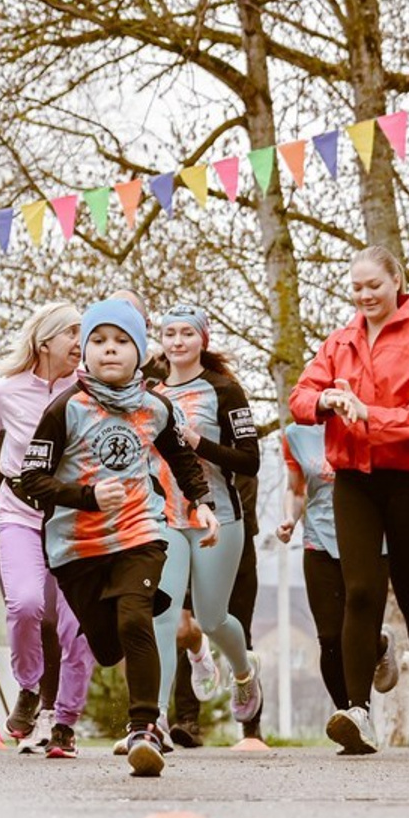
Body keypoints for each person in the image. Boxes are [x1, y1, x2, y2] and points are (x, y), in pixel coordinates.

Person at [18, 298, 216, 777]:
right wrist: (85, 495)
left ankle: (145, 727)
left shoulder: (155, 408)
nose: (110, 351)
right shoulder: (65, 409)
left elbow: (181, 457)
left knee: (134, 621)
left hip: (139, 530)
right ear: (84, 352)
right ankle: (143, 604)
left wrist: (201, 501)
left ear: (141, 351)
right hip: (76, 547)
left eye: (122, 341)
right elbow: (31, 478)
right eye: (99, 342)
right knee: (107, 646)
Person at [290, 245, 409, 753]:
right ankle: (357, 712)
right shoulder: (339, 342)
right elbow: (299, 397)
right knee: (360, 592)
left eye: (373, 284)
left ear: (397, 282)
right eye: (356, 286)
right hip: (353, 478)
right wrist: (326, 401)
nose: (364, 294)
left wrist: (370, 415)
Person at [0, 303, 95, 759]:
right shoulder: (5, 392)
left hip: (73, 517)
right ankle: (29, 688)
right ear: (45, 343)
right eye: (73, 334)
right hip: (18, 511)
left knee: (76, 626)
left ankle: (65, 722)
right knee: (25, 603)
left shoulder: (89, 392)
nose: (82, 344)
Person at [152, 304, 263, 734]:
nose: (177, 342)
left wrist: (199, 443)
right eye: (169, 334)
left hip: (217, 516)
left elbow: (250, 461)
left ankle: (243, 671)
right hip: (165, 518)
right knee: (162, 615)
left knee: (212, 618)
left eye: (186, 334)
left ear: (203, 340)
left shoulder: (225, 391)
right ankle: (154, 720)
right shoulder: (150, 394)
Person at [277, 422, 397, 720]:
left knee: (360, 632)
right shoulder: (296, 435)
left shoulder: (373, 422)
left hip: (370, 541)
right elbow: (295, 488)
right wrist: (290, 520)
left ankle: (379, 644)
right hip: (318, 539)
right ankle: (351, 718)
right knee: (329, 637)